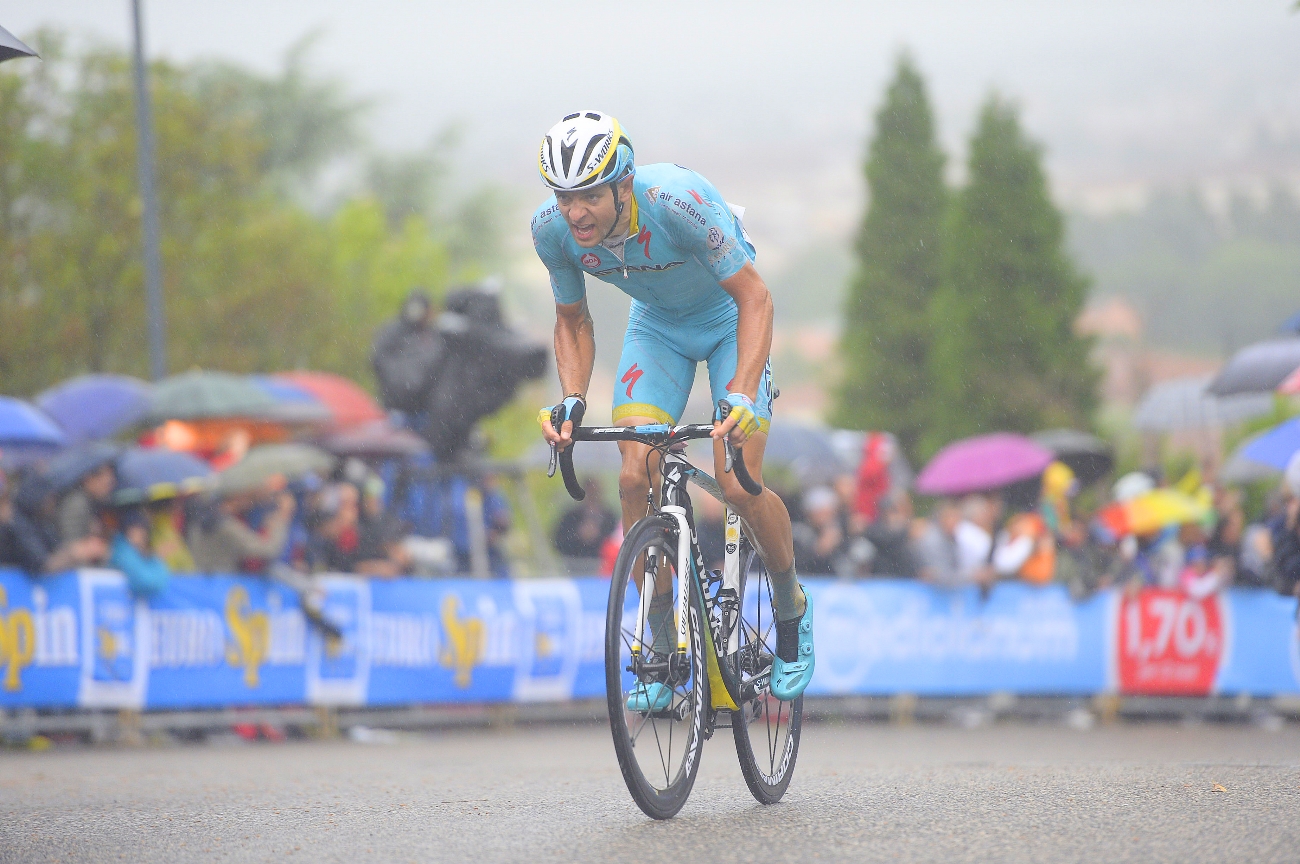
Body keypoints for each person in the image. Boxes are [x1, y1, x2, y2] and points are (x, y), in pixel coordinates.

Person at [533, 111, 813, 707]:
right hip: (655, 332)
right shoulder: (551, 233)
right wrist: (573, 399)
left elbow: (755, 296)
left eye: (587, 194)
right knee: (634, 473)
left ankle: (791, 607)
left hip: (727, 323)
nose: (575, 211)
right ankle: (661, 640)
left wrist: (738, 389)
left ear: (623, 184)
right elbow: (572, 320)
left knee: (738, 483)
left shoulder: (678, 202)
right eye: (564, 196)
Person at [188, 478, 296, 574]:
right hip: (220, 584)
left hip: (207, 581)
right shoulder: (224, 525)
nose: (250, 502)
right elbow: (268, 550)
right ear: (238, 495)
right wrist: (282, 517)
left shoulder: (207, 516)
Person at [553, 477, 619, 570]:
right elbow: (559, 542)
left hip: (604, 568)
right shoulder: (571, 516)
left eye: (595, 492)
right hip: (573, 567)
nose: (592, 496)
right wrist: (578, 536)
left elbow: (616, 541)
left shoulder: (609, 517)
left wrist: (598, 537)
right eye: (589, 492)